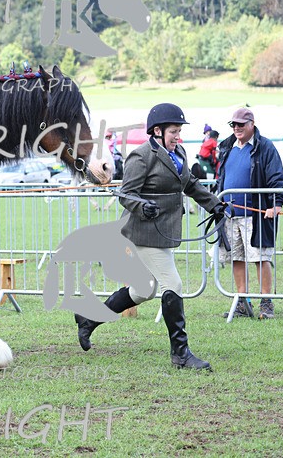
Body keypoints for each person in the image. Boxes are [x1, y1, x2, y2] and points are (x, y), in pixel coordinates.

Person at [74, 103, 224, 370]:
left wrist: (214, 204)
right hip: (142, 232)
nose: (178, 136)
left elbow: (188, 183)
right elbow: (126, 195)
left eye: (179, 131)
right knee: (173, 284)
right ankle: (181, 354)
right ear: (157, 131)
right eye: (174, 131)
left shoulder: (178, 152)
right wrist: (142, 206)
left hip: (163, 231)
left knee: (144, 290)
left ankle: (88, 318)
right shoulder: (140, 156)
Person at [216, 108, 283, 319]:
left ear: (252, 124)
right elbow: (222, 176)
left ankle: (266, 303)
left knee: (260, 257)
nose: (236, 128)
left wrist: (276, 204)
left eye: (241, 124)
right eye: (233, 125)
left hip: (256, 214)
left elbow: (276, 176)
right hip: (230, 214)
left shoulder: (265, 147)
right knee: (236, 257)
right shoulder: (227, 147)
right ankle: (242, 301)